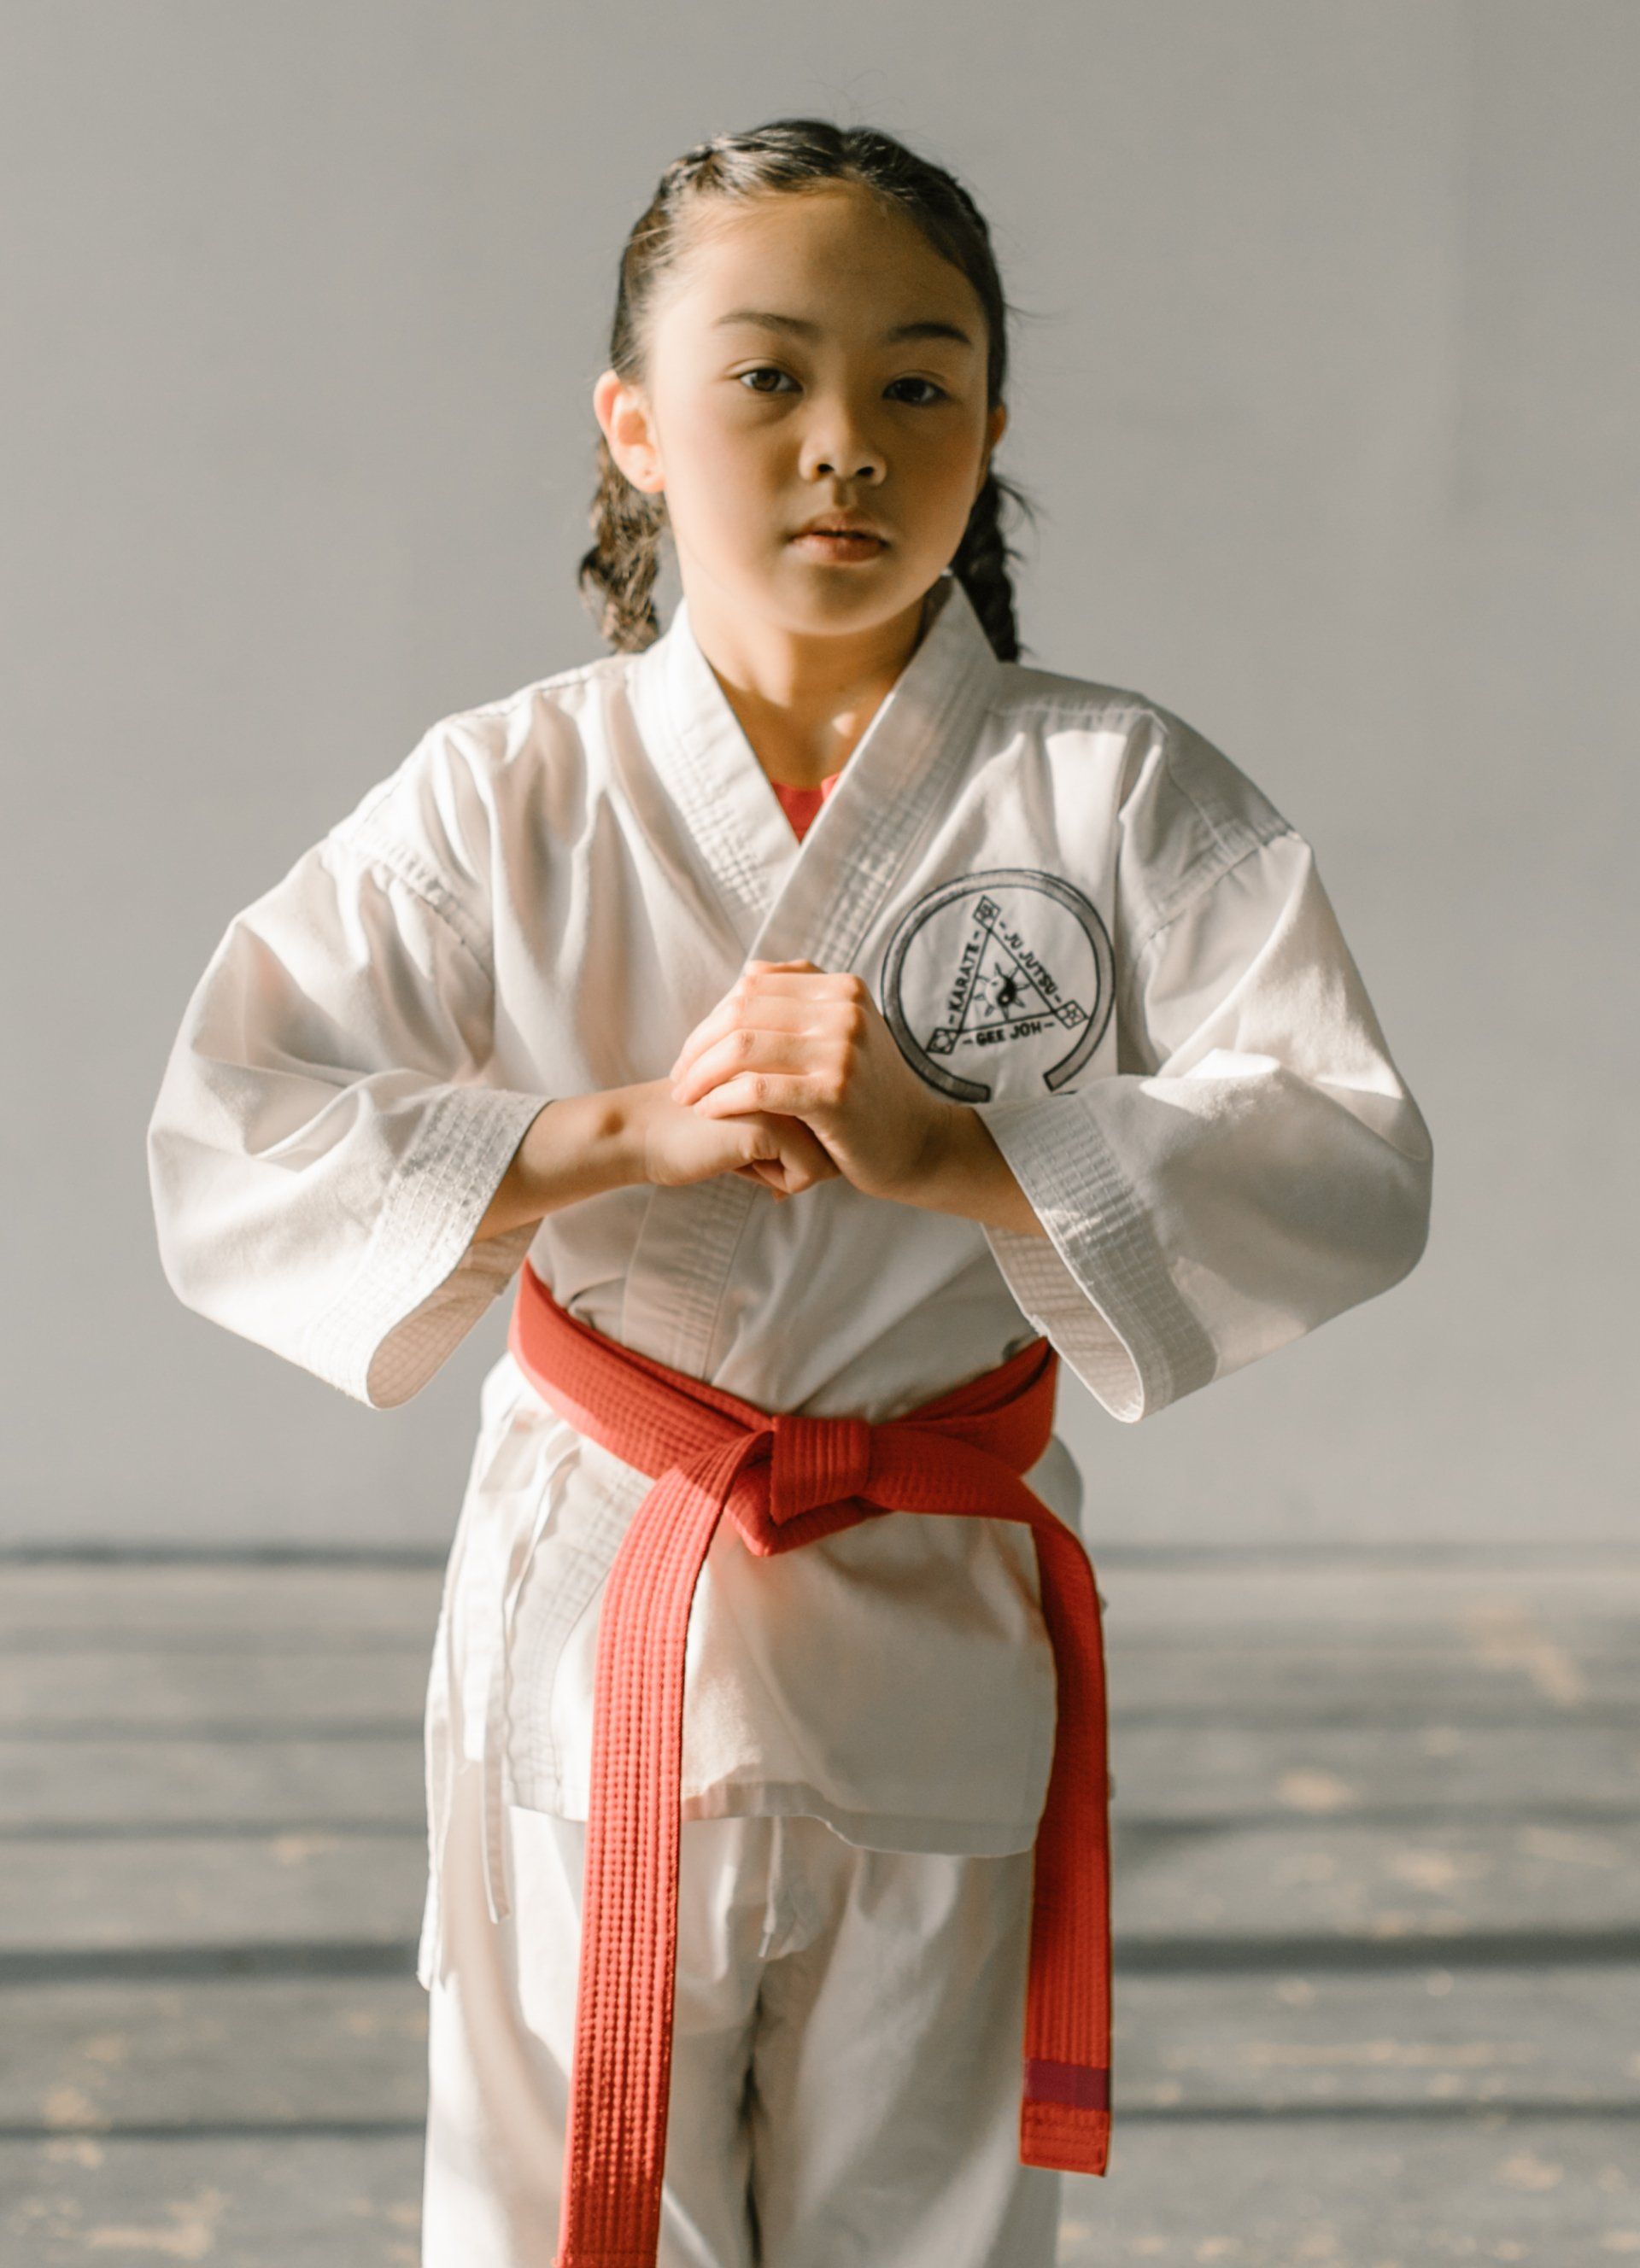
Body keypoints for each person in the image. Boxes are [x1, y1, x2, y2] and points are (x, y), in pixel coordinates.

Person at [145, 118, 1433, 2268]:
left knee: (920, 2220)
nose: (846, 443)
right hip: (600, 1608)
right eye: (769, 377)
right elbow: (232, 1121)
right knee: (574, 2190)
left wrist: (966, 1151)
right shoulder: (506, 794)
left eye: (917, 384)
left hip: (924, 1608)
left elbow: (1344, 1146)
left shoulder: (1108, 792)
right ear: (635, 427)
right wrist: (613, 1134)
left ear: (992, 431)